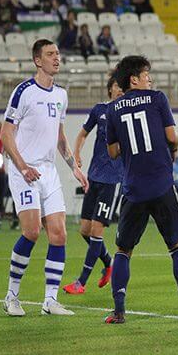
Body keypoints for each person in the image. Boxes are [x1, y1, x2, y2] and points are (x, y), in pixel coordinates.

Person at [104, 55, 178, 324]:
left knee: (124, 250)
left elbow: (113, 152)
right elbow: (172, 137)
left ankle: (119, 311)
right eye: (147, 75)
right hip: (161, 185)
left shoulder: (112, 110)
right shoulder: (158, 98)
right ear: (134, 79)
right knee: (176, 246)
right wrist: (174, 150)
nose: (151, 79)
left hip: (134, 189)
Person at [0, 39, 89, 317]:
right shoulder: (23, 91)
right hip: (23, 170)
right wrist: (23, 166)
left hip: (48, 171)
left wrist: (74, 166)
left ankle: (50, 301)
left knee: (60, 234)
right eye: (50, 54)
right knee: (31, 231)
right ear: (38, 60)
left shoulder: (61, 94)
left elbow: (60, 137)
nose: (57, 58)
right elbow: (6, 134)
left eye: (58, 53)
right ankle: (11, 296)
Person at [63, 76, 124, 295]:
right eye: (117, 86)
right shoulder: (99, 110)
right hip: (94, 177)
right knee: (84, 231)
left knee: (97, 231)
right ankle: (108, 264)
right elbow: (82, 134)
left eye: (122, 87)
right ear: (110, 89)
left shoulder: (126, 114)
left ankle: (81, 282)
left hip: (112, 180)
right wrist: (77, 154)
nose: (120, 90)